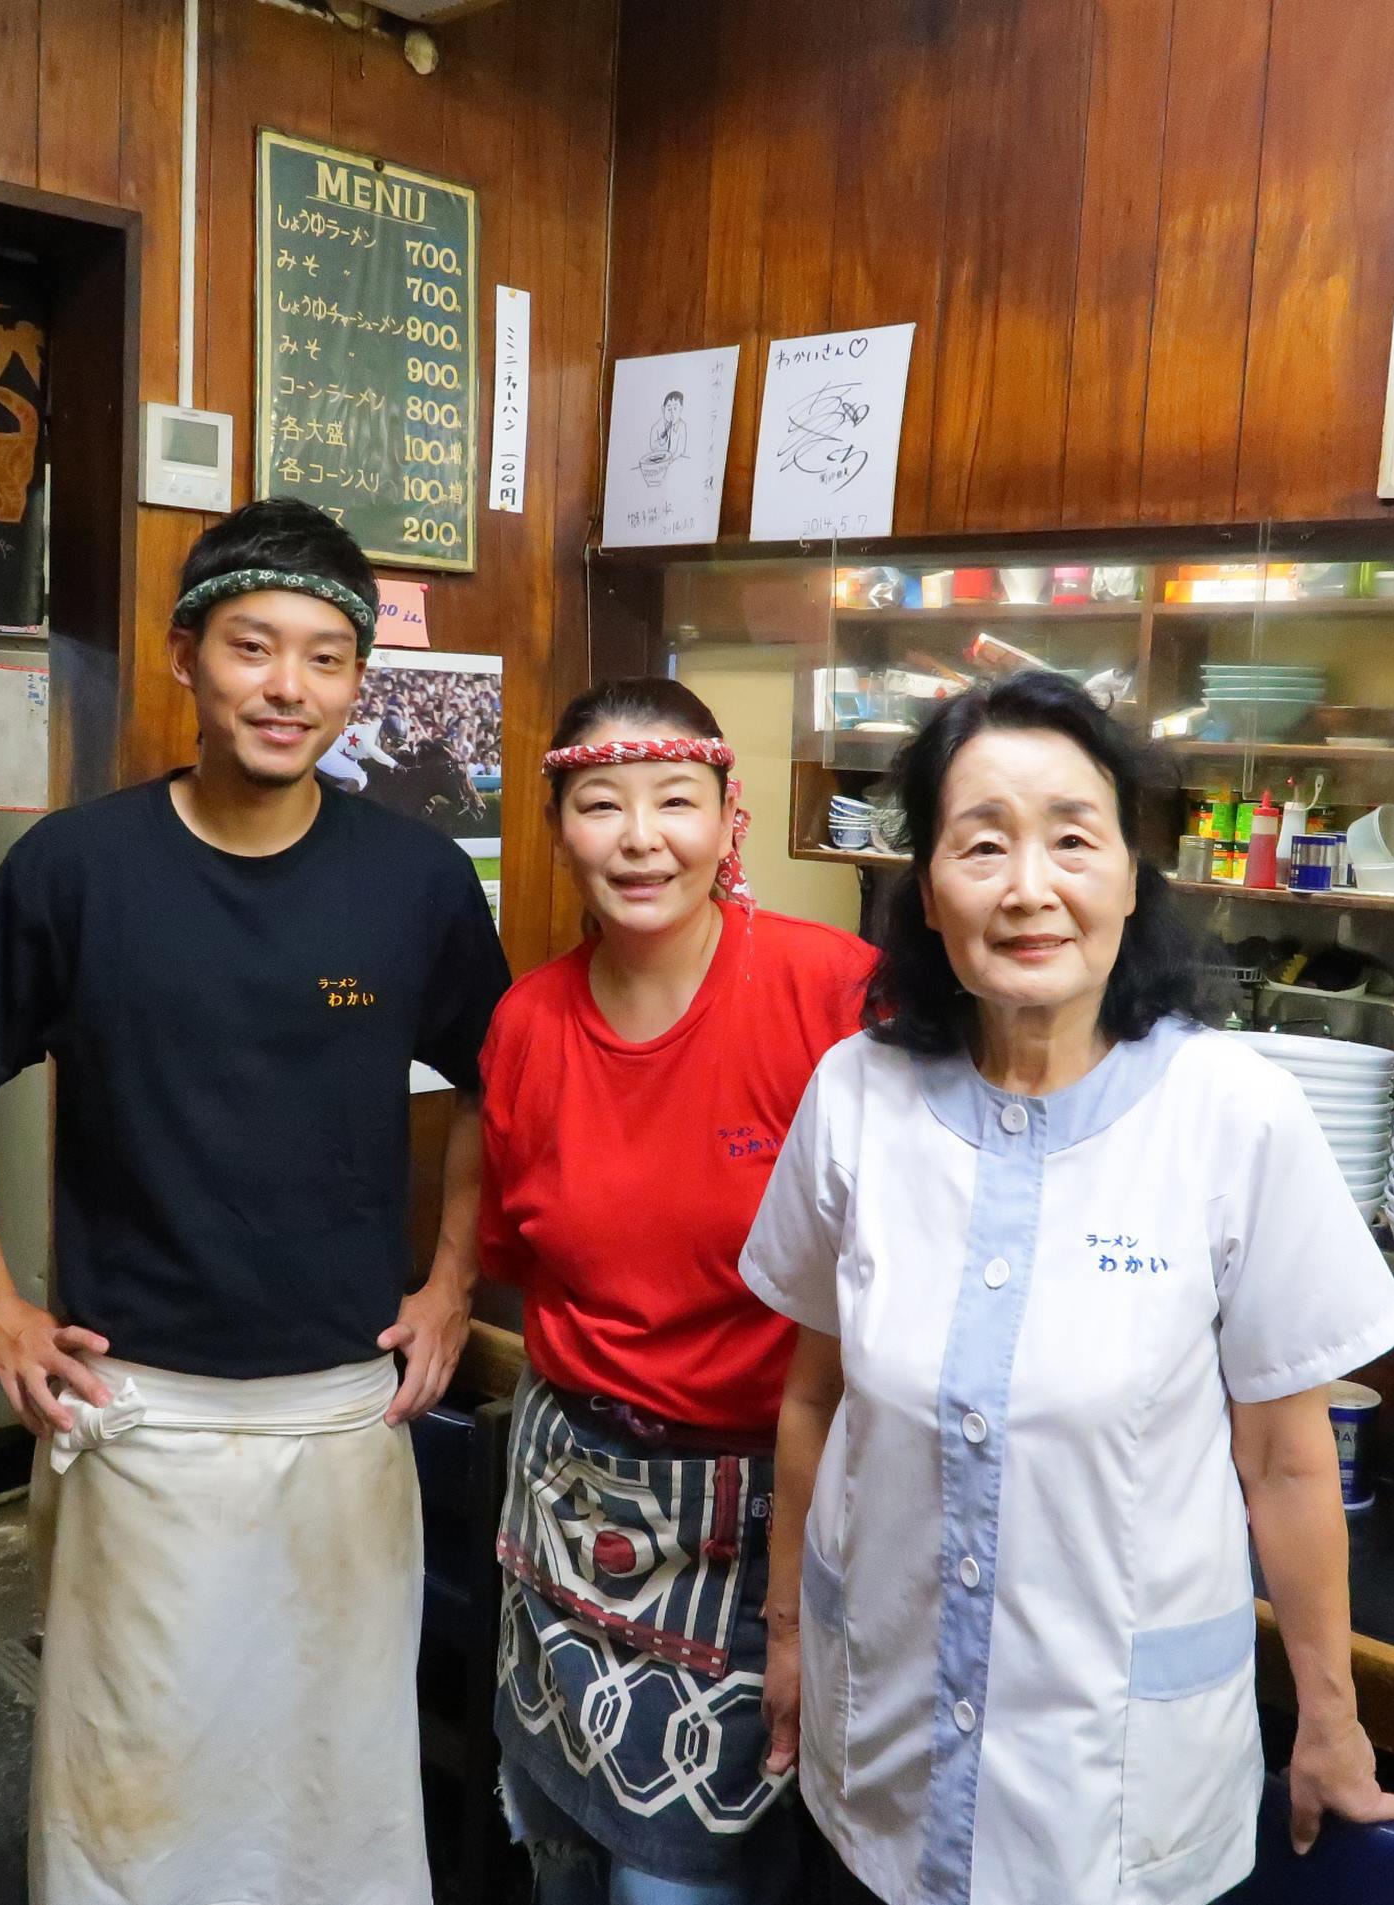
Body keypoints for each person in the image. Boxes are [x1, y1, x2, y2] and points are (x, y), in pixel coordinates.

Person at [0, 497, 510, 1905]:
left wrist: (454, 1282)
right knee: (134, 1783)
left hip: (344, 1412)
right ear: (186, 656)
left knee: (333, 1783)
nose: (287, 687)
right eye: (252, 646)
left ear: (361, 684)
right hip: (140, 1415)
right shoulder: (79, 867)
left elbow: (497, 1080)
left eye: (326, 658)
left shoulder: (412, 878)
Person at [742, 669, 1394, 1905]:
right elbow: (811, 1401)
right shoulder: (853, 1096)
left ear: (1127, 877)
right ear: (927, 895)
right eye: (981, 843)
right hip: (874, 1756)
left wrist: (1329, 1717)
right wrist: (784, 1634)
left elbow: (1283, 1458)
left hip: (1112, 1805)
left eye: (1069, 839)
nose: (1028, 887)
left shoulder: (1232, 1114)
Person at [478, 679, 875, 1904]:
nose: (639, 838)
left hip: (760, 1520)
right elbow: (516, 1244)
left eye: (673, 802)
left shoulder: (835, 995)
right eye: (600, 805)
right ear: (558, 831)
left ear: (727, 817)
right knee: (556, 1853)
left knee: (681, 1884)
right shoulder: (527, 1023)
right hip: (565, 1500)